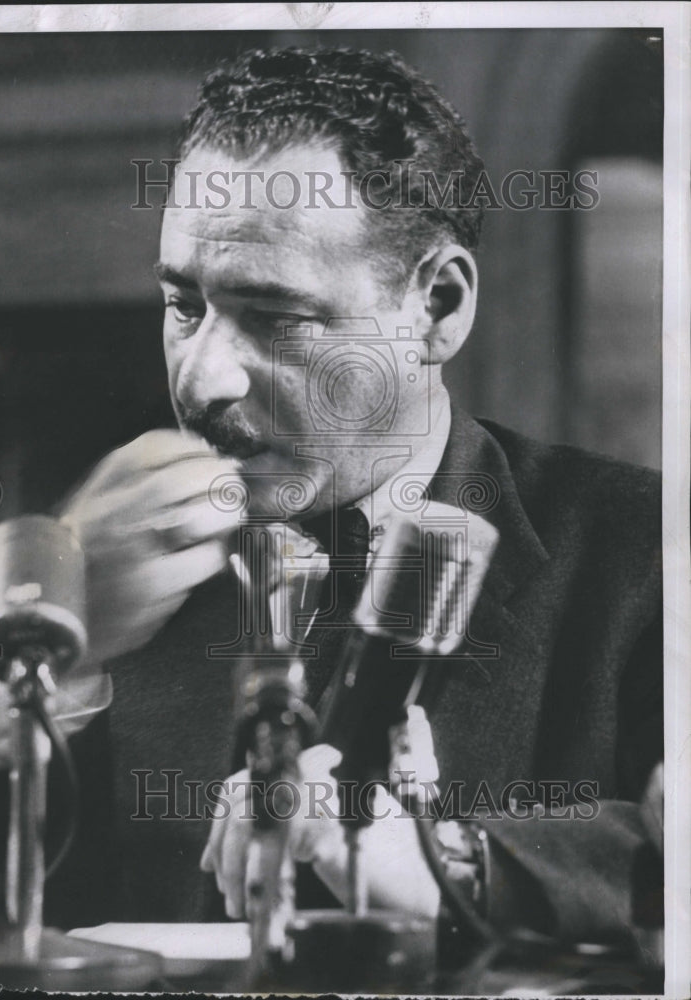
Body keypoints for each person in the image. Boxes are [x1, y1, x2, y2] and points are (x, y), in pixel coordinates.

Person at [60, 45, 662, 964]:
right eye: (184, 305)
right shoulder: (108, 578)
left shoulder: (647, 554)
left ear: (439, 308)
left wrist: (450, 863)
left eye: (276, 317)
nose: (201, 379)